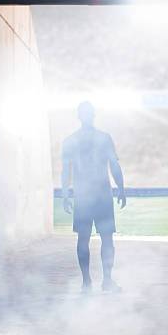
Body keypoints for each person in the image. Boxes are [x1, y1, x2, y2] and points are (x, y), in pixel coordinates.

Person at [61, 102, 126, 292]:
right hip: (100, 195)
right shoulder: (103, 138)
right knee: (105, 238)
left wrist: (65, 194)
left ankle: (87, 282)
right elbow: (113, 165)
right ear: (92, 115)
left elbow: (66, 171)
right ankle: (104, 281)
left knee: (85, 238)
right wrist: (120, 187)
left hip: (85, 195)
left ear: (79, 115)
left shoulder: (71, 140)